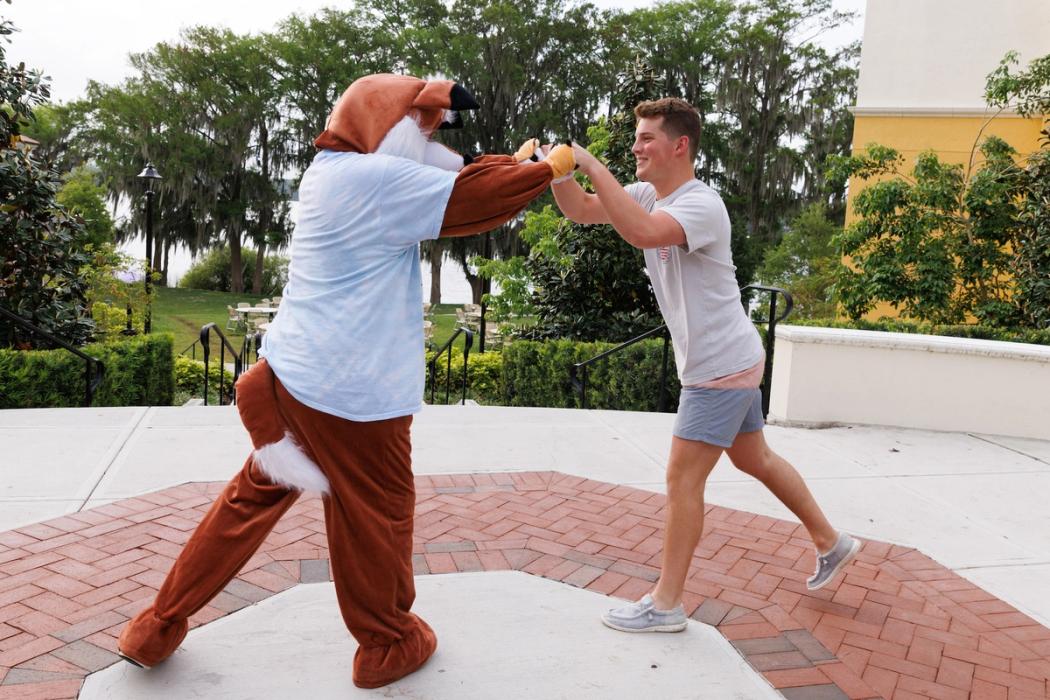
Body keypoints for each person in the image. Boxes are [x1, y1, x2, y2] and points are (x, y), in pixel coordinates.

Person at [115, 73, 575, 687]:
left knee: (248, 502)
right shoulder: (377, 182)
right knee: (376, 516)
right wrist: (545, 170)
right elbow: (474, 199)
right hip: (350, 396)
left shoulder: (331, 173)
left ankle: (155, 625)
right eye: (422, 124)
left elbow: (452, 173)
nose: (432, 136)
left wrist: (510, 161)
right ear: (386, 130)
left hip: (289, 376)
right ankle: (386, 643)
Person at [546, 97, 859, 633]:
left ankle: (666, 605)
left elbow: (644, 232)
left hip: (718, 367)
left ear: (679, 145)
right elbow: (581, 210)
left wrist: (590, 162)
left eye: (647, 138)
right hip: (731, 359)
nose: (636, 147)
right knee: (754, 458)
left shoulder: (701, 204)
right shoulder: (647, 193)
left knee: (681, 481)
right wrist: (551, 172)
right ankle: (832, 541)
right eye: (636, 137)